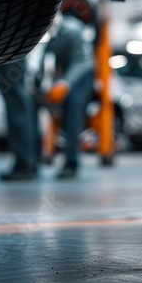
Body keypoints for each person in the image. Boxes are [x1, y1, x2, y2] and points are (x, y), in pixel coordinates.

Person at [37, 12, 95, 178]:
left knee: (72, 111)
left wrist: (65, 83)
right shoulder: (49, 33)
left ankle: (71, 162)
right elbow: (44, 57)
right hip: (65, 74)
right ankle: (36, 157)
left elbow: (81, 62)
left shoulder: (74, 29)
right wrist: (42, 81)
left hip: (82, 74)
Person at [0, 57, 38, 181]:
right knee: (19, 100)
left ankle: (24, 164)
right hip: (12, 49)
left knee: (16, 102)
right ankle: (30, 160)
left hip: (4, 49)